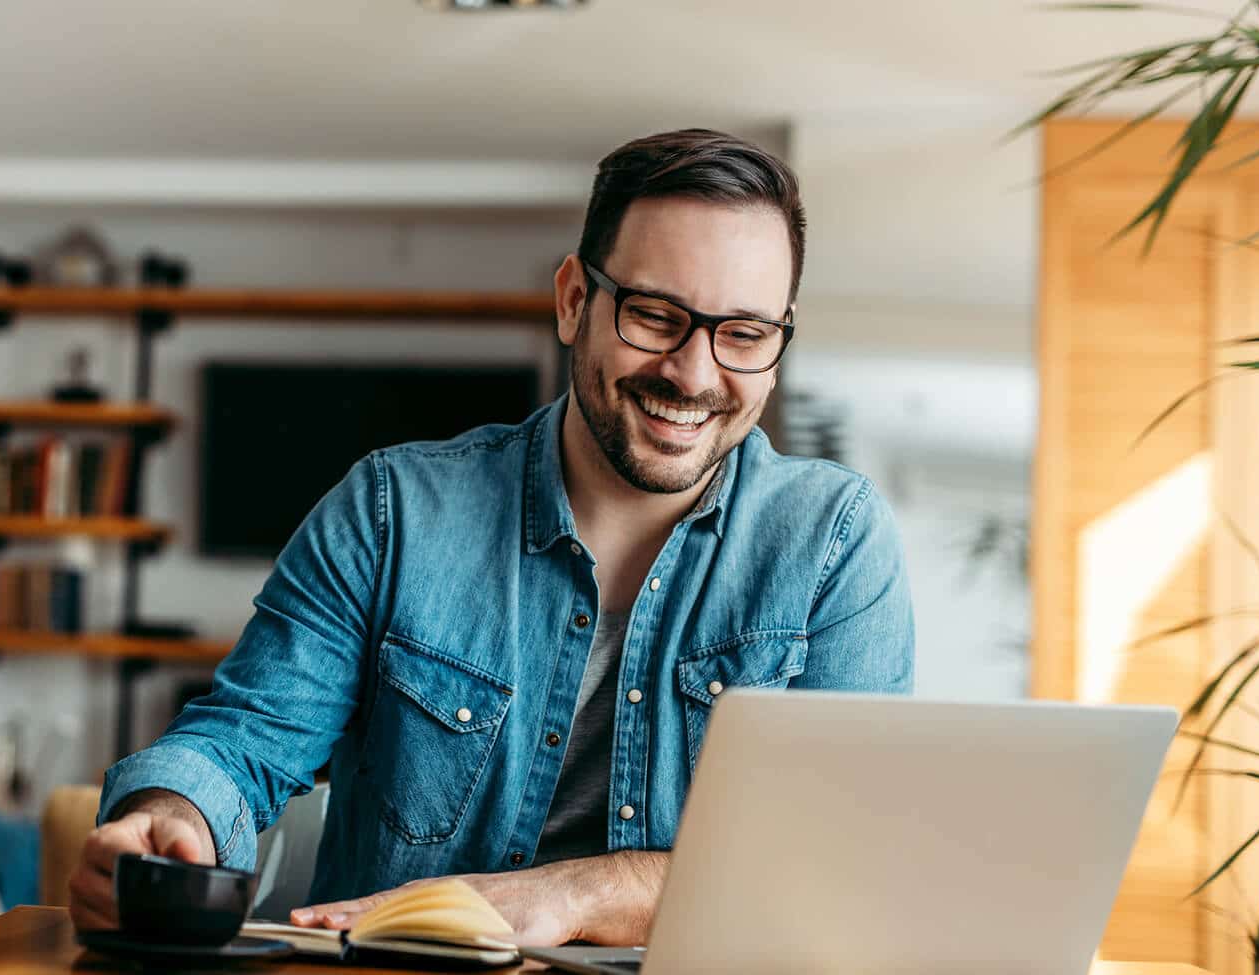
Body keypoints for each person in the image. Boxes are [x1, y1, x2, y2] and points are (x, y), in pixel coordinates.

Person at [68, 128, 915, 946]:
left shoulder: (834, 543)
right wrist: (166, 820)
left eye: (743, 334)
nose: (694, 374)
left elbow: (838, 864)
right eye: (655, 316)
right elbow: (245, 740)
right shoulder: (392, 508)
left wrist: (576, 892)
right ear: (574, 299)